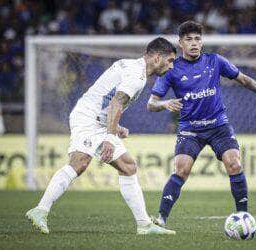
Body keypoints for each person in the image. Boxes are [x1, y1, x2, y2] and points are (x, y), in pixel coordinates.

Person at [147, 21, 256, 228]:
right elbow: (151, 104)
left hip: (218, 126)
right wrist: (164, 103)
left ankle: (244, 217)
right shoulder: (172, 69)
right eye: (189, 39)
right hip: (190, 129)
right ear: (180, 43)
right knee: (181, 169)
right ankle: (161, 218)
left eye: (197, 38)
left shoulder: (215, 61)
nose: (194, 43)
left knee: (235, 164)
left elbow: (244, 79)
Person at [26, 37, 177, 235]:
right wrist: (110, 138)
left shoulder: (131, 66)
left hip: (97, 118)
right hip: (87, 118)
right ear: (157, 57)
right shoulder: (136, 76)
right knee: (80, 162)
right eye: (170, 60)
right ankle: (40, 210)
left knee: (128, 166)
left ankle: (144, 224)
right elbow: (115, 103)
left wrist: (115, 127)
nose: (172, 66)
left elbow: (107, 98)